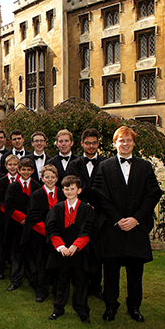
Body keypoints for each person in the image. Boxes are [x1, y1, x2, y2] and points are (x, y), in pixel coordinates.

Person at [91, 126, 162, 323]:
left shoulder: (145, 166)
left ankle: (134, 307)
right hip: (113, 228)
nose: (125, 144)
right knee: (111, 271)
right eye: (121, 140)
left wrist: (136, 218)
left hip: (136, 228)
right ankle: (110, 307)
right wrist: (117, 219)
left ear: (133, 143)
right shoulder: (104, 167)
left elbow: (152, 194)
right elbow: (98, 195)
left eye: (129, 140)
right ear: (115, 143)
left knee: (135, 272)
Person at [46, 175, 96, 324]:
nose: (69, 191)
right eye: (66, 189)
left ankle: (82, 309)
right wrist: (61, 247)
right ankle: (58, 308)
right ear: (63, 190)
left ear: (79, 190)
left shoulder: (87, 209)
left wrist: (75, 246)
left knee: (81, 282)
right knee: (61, 281)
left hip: (79, 252)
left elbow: (88, 230)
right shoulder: (57, 208)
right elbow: (52, 228)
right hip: (62, 252)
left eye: (72, 188)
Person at [66, 127, 106, 299]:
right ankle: (79, 283)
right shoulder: (74, 164)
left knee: (97, 250)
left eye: (94, 143)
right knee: (80, 247)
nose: (91, 146)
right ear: (82, 144)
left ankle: (96, 286)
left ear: (98, 144)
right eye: (87, 143)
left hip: (99, 214)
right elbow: (70, 187)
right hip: (79, 213)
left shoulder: (106, 163)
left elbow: (107, 189)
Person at [24, 164, 64, 303]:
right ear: (42, 178)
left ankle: (57, 289)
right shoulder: (36, 195)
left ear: (57, 179)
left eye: (53, 177)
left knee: (57, 263)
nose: (50, 179)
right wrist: (48, 233)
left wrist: (57, 234)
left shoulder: (62, 194)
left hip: (58, 237)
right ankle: (41, 291)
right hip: (40, 235)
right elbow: (33, 218)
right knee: (41, 263)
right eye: (47, 177)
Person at [4, 157, 41, 292]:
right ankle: (16, 280)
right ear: (19, 170)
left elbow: (39, 205)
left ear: (32, 171)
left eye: (28, 170)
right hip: (17, 225)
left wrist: (30, 219)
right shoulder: (12, 187)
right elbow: (9, 205)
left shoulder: (36, 186)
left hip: (32, 226)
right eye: (23, 169)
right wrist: (22, 218)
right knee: (17, 253)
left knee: (32, 253)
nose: (25, 172)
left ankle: (34, 279)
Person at [0, 154, 20, 280]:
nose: (13, 167)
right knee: (2, 244)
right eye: (10, 165)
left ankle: (19, 270)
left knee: (17, 244)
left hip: (18, 219)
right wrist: (11, 214)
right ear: (6, 166)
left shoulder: (21, 181)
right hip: (4, 218)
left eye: (15, 164)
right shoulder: (1, 182)